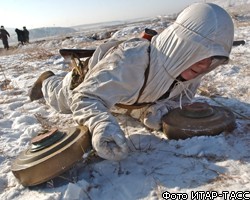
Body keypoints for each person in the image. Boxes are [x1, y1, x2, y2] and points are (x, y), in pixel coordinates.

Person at [29, 3, 234, 161]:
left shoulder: (193, 71)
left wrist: (154, 113)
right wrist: (101, 124)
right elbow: (85, 97)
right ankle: (47, 80)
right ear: (181, 45)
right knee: (60, 99)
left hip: (123, 98)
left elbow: (170, 102)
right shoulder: (132, 60)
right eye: (201, 51)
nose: (206, 63)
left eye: (214, 56)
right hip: (84, 85)